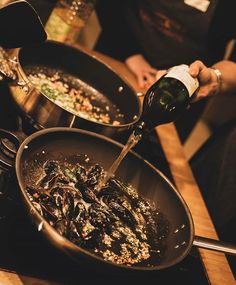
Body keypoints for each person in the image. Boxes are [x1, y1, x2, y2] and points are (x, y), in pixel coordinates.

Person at [95, 0, 236, 89]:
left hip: (183, 89)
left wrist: (213, 77)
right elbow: (109, 5)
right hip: (116, 53)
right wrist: (129, 52)